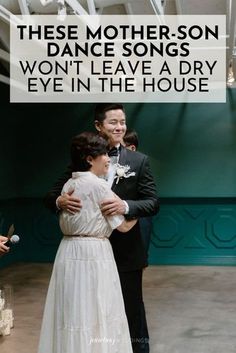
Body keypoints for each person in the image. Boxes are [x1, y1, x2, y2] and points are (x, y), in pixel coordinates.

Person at [44, 103, 159, 353]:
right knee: (87, 314)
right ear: (98, 126)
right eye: (113, 122)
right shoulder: (83, 161)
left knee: (130, 313)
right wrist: (59, 201)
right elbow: (52, 195)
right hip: (88, 255)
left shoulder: (139, 161)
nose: (119, 127)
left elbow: (152, 202)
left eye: (122, 122)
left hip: (127, 253)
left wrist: (125, 206)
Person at [38, 132, 136, 353]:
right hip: (95, 254)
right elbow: (122, 226)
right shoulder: (100, 187)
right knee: (98, 310)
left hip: (67, 251)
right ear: (90, 159)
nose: (108, 159)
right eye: (104, 154)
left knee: (71, 311)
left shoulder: (68, 186)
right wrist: (138, 211)